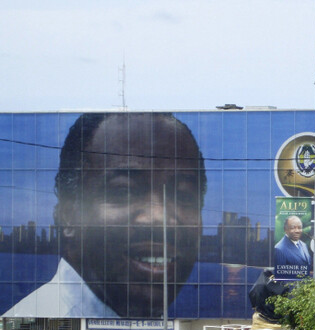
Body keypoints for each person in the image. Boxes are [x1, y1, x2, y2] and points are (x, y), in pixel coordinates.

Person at [3, 112, 207, 319]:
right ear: (69, 214)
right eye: (123, 191)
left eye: (184, 195)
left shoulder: (156, 329)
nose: (160, 218)